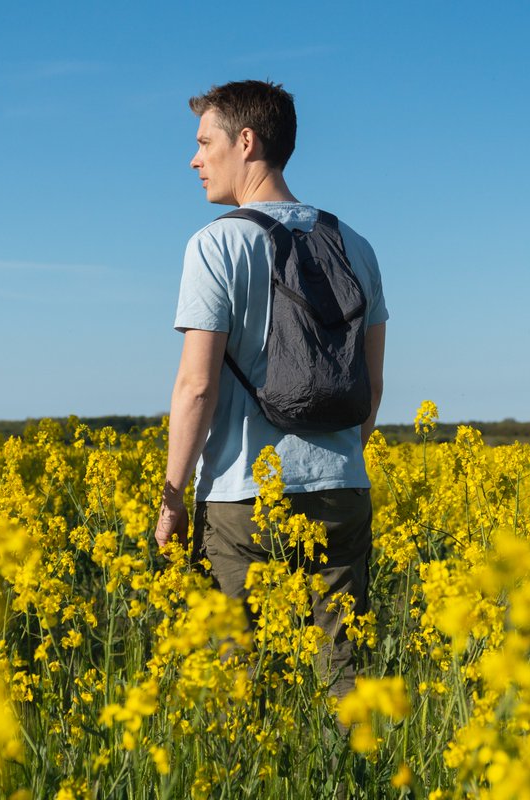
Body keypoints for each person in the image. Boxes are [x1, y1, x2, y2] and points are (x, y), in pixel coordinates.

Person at [154, 80, 388, 698]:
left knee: (239, 682)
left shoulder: (217, 244)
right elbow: (373, 387)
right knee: (343, 674)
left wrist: (172, 494)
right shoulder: (355, 245)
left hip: (244, 497)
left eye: (205, 143)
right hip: (343, 489)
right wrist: (335, 457)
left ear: (247, 142)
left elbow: (197, 387)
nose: (195, 159)